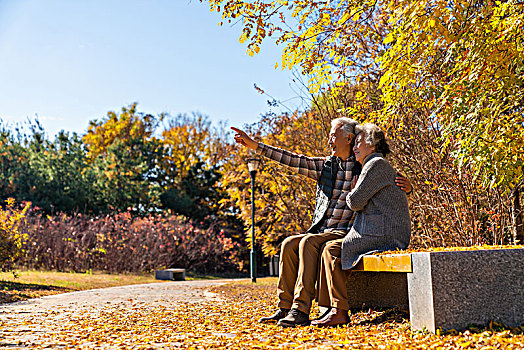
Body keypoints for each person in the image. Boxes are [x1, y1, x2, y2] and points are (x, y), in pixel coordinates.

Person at [231, 119, 412, 327]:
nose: (329, 140)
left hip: (350, 232)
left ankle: (301, 309)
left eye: (333, 136)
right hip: (325, 231)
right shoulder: (327, 167)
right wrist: (255, 145)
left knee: (308, 243)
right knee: (289, 243)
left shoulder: (364, 165)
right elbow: (292, 159)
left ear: (349, 138)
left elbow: (390, 184)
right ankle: (284, 307)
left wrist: (408, 188)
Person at [312, 123, 411, 327]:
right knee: (329, 249)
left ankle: (338, 310)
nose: (355, 146)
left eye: (359, 142)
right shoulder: (373, 164)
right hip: (377, 230)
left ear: (372, 145)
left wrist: (354, 188)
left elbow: (355, 202)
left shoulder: (376, 164)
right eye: (354, 142)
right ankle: (330, 308)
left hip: (384, 234)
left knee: (331, 251)